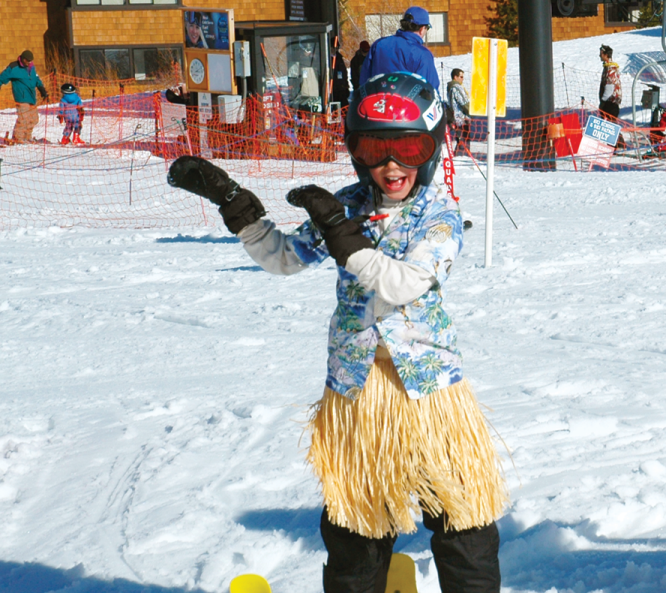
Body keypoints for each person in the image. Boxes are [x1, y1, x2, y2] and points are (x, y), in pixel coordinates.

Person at [164, 72, 507, 593]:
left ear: (431, 148)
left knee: (463, 524)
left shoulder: (439, 213)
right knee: (356, 534)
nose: (391, 165)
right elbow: (282, 258)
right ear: (356, 152)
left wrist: (345, 238)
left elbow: (403, 283)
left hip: (431, 395)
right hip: (357, 394)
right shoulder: (346, 204)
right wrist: (236, 204)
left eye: (408, 147)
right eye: (375, 149)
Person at [358, 7, 441, 92]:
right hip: (406, 104)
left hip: (376, 102)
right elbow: (430, 91)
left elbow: (364, 79)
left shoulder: (379, 44)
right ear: (422, 29)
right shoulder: (422, 54)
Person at [0, 50, 49, 144]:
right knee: (24, 119)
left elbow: (36, 79)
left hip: (32, 97)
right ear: (22, 59)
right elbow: (2, 78)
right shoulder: (14, 67)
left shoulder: (31, 67)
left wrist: (42, 90)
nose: (29, 62)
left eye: (30, 61)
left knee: (34, 119)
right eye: (27, 60)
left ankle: (27, 136)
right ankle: (18, 138)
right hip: (21, 98)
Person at [447, 68, 471, 156]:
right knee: (464, 140)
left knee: (460, 138)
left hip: (457, 117)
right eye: (461, 77)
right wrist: (470, 111)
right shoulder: (456, 88)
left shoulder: (450, 87)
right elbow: (464, 103)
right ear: (455, 77)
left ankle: (459, 155)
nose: (462, 79)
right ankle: (462, 156)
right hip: (462, 118)